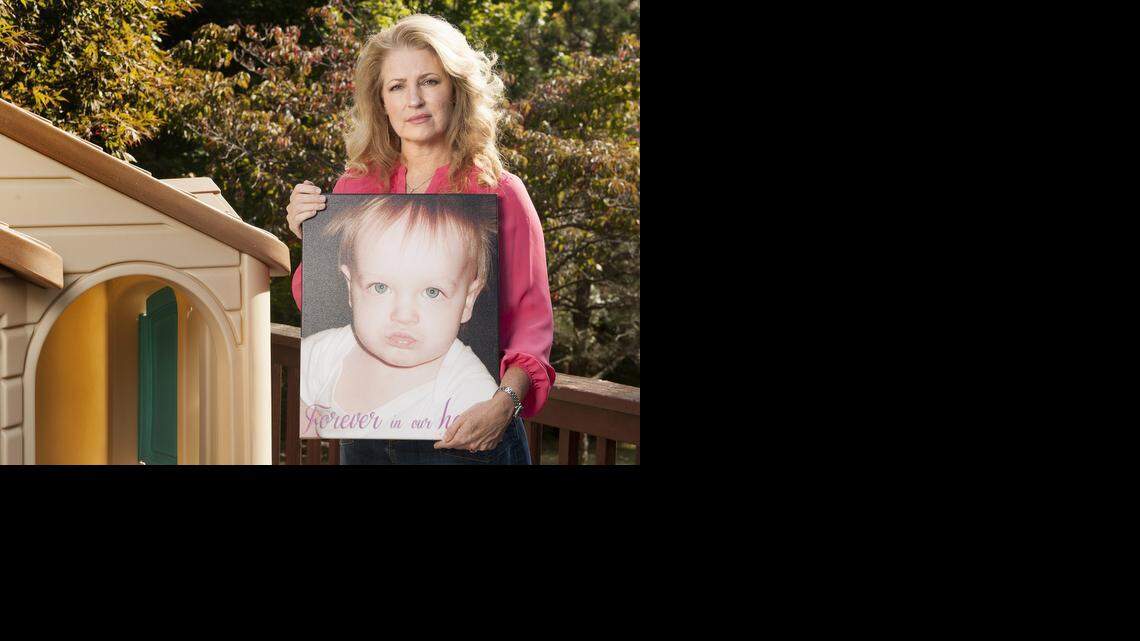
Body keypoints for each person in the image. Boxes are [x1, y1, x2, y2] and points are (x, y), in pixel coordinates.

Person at [285, 14, 554, 464]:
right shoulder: (355, 188)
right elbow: (324, 301)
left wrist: (503, 404)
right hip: (367, 435)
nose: (414, 99)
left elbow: (532, 322)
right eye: (396, 86)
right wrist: (310, 236)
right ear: (381, 102)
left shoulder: (499, 191)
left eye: (429, 81)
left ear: (456, 89)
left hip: (470, 434)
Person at [298, 196, 499, 442]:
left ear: (468, 300)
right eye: (380, 287)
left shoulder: (472, 393)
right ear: (351, 288)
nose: (404, 316)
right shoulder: (318, 355)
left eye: (432, 292)